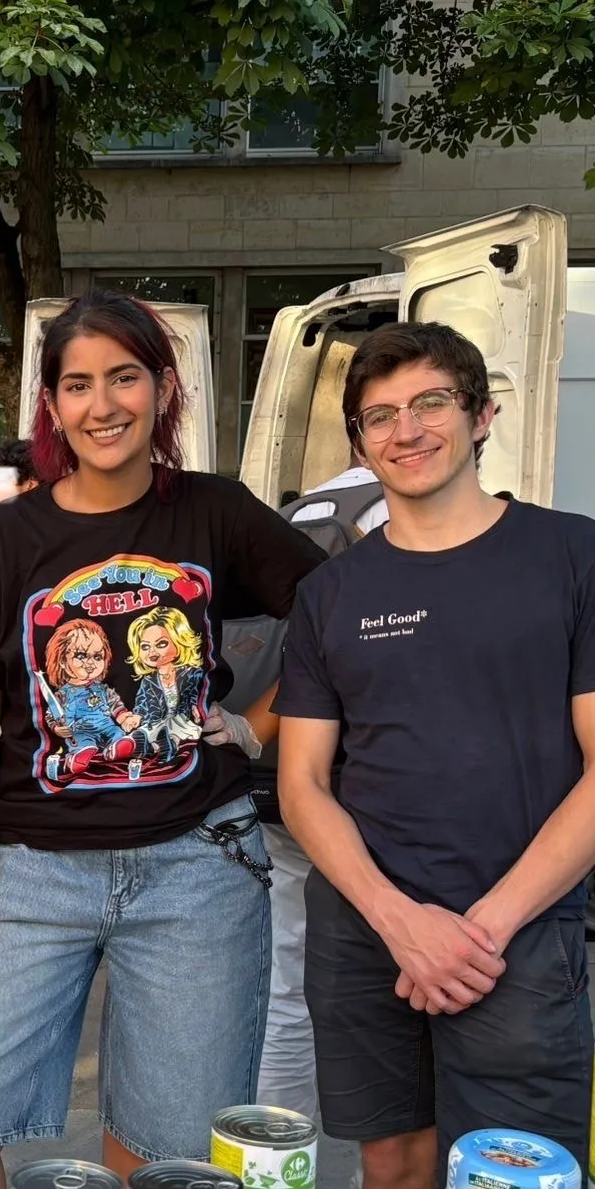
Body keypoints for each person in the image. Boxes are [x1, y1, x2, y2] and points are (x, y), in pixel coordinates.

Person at [0, 290, 328, 1189]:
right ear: (52, 406)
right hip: (29, 875)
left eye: (124, 378)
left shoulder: (214, 511)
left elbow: (333, 611)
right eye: (78, 384)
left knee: (166, 1163)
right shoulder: (13, 535)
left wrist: (257, 722)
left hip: (197, 869)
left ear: (163, 389)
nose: (102, 405)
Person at [276, 321, 595, 1189]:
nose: (406, 431)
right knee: (392, 1169)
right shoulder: (332, 592)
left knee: (515, 1183)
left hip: (516, 929)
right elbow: (302, 785)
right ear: (360, 444)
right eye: (380, 416)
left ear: (482, 415)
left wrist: (478, 932)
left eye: (431, 403)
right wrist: (399, 922)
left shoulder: (577, 556)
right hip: (367, 927)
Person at [226, 463, 389, 1120]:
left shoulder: (303, 510)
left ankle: (275, 1155)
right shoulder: (398, 517)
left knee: (285, 979)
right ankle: (384, 1169)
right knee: (384, 984)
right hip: (361, 785)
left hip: (275, 778)